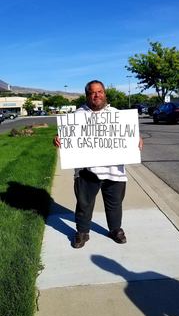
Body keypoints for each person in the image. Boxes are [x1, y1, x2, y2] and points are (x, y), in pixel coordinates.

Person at [53, 80, 143, 249]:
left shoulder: (117, 114)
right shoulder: (76, 116)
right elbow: (66, 136)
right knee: (83, 204)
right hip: (86, 172)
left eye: (100, 91)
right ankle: (82, 232)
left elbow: (129, 134)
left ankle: (115, 229)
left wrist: (135, 139)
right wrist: (58, 139)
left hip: (114, 171)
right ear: (87, 95)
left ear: (104, 93)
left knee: (115, 204)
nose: (97, 95)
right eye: (92, 92)